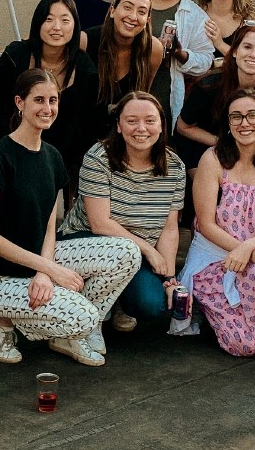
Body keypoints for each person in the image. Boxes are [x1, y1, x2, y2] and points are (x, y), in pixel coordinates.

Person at [0, 69, 141, 367]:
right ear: (19, 103)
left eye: (53, 100)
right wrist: (50, 269)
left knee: (127, 253)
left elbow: (50, 226)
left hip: (38, 262)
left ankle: (69, 333)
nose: (47, 108)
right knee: (83, 316)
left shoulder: (52, 157)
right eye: (38, 100)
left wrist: (45, 273)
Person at [180, 89, 255, 357]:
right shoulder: (213, 160)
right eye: (237, 117)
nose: (245, 123)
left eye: (253, 115)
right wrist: (242, 250)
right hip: (216, 258)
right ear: (228, 125)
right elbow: (205, 224)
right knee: (243, 346)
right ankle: (211, 311)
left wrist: (251, 249)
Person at [59, 92, 185, 332]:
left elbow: (169, 229)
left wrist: (168, 277)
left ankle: (117, 300)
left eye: (150, 120)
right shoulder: (98, 158)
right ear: (118, 126)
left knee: (151, 305)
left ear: (161, 125)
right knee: (124, 251)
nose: (141, 128)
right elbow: (100, 224)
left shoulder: (175, 167)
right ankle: (89, 322)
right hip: (86, 242)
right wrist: (149, 250)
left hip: (135, 254)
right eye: (131, 121)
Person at [69, 0, 213, 126]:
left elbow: (206, 59)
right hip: (111, 100)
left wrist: (181, 54)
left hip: (161, 103)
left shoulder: (194, 16)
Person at [0, 0, 98, 180]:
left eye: (65, 20)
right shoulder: (15, 56)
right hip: (3, 151)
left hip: (54, 162)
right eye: (49, 19)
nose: (56, 27)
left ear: (75, 26)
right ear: (37, 22)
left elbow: (82, 127)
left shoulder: (84, 68)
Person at [174, 22, 255, 170]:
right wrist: (224, 142)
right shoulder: (208, 86)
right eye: (247, 47)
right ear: (235, 51)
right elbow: (183, 127)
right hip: (206, 144)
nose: (253, 54)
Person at [81, 0, 165, 148]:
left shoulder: (153, 49)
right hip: (83, 135)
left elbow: (144, 98)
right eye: (127, 7)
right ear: (112, 11)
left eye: (141, 12)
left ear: (147, 20)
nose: (133, 17)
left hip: (126, 138)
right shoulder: (85, 41)